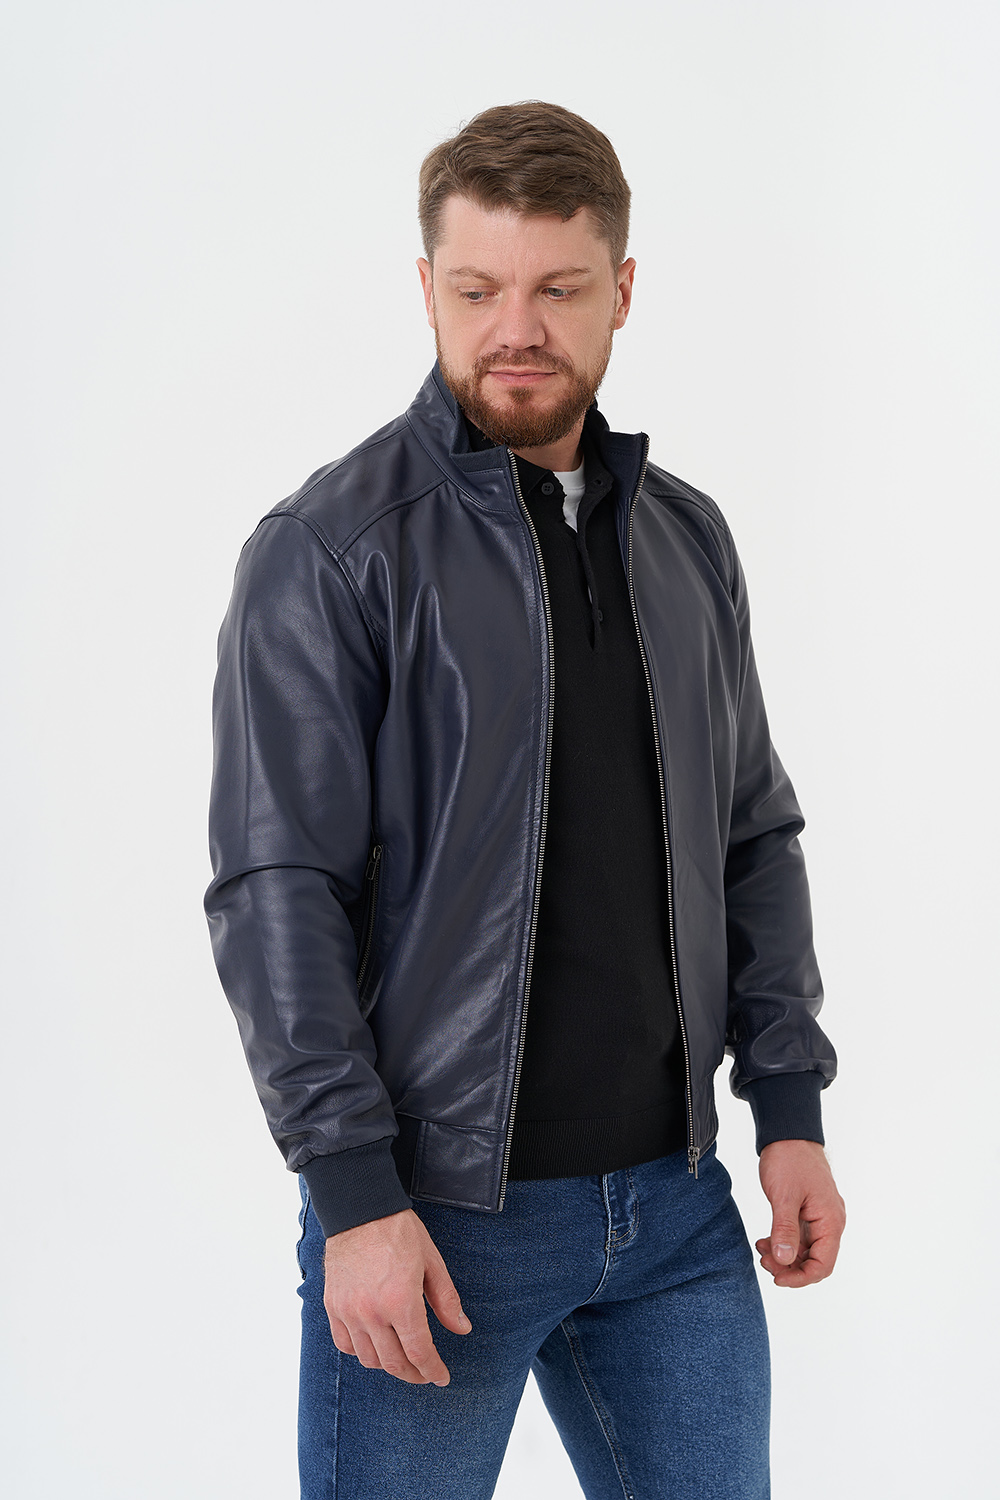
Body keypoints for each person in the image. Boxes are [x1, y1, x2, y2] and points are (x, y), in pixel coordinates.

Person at [204, 100, 846, 1500]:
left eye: (559, 289)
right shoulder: (333, 550)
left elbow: (753, 834)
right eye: (477, 289)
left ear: (622, 289)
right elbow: (276, 893)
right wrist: (354, 1197)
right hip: (436, 1222)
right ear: (425, 287)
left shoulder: (685, 537)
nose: (517, 329)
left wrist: (789, 1105)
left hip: (678, 1216)